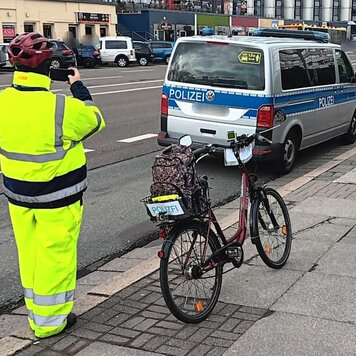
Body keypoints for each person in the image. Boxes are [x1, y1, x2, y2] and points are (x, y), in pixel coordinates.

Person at [0, 32, 105, 338]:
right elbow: (94, 120)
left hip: (17, 194)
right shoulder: (61, 107)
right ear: (49, 68)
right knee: (55, 258)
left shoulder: (3, 102)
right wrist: (77, 86)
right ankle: (49, 323)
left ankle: (35, 312)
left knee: (29, 254)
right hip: (58, 198)